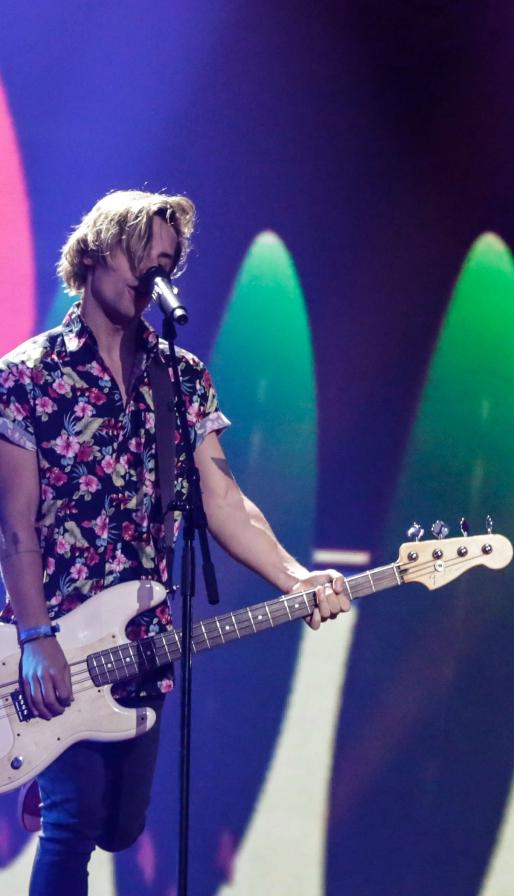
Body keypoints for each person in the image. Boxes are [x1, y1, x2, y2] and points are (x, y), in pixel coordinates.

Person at [0, 190, 349, 895]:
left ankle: (58, 782)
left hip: (143, 637)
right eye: (141, 257)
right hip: (53, 635)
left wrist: (294, 578)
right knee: (76, 822)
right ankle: (61, 779)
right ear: (96, 253)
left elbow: (223, 498)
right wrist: (36, 634)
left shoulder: (180, 379)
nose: (151, 276)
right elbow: (15, 521)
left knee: (119, 826)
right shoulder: (27, 376)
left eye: (166, 264)